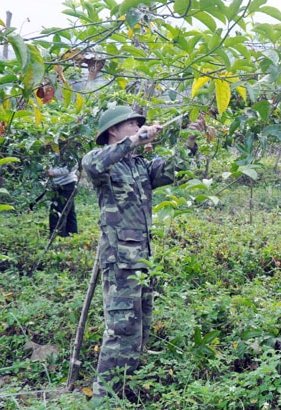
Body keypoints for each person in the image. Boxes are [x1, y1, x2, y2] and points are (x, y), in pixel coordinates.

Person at [81, 105, 203, 401]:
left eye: (139, 124)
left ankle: (126, 389)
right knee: (121, 328)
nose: (138, 127)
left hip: (142, 259)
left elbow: (174, 171)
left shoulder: (139, 166)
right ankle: (104, 399)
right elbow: (94, 165)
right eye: (132, 124)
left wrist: (189, 141)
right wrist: (137, 139)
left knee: (140, 328)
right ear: (113, 130)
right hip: (119, 260)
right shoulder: (101, 162)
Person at [45, 151, 78, 237]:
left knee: (57, 210)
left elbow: (72, 166)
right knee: (68, 210)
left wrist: (54, 172)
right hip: (56, 185)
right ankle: (71, 233)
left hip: (67, 184)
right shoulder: (53, 152)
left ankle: (58, 235)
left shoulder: (69, 151)